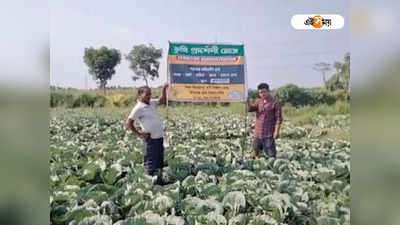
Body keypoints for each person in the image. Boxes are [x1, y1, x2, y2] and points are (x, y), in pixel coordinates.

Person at [126, 84, 168, 177]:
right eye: (147, 94)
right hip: (150, 140)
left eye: (150, 94)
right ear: (140, 95)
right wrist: (139, 134)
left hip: (159, 138)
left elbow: (162, 100)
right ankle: (149, 183)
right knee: (150, 164)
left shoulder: (151, 103)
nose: (149, 96)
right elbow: (129, 122)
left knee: (159, 163)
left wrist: (164, 89)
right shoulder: (138, 108)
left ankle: (159, 184)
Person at [248, 83, 283, 158]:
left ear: (268, 91)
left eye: (264, 92)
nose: (262, 94)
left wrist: (277, 131)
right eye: (260, 92)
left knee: (271, 156)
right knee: (255, 153)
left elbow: (278, 119)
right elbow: (250, 109)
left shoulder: (275, 103)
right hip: (258, 133)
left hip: (268, 133)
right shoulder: (258, 101)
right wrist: (247, 101)